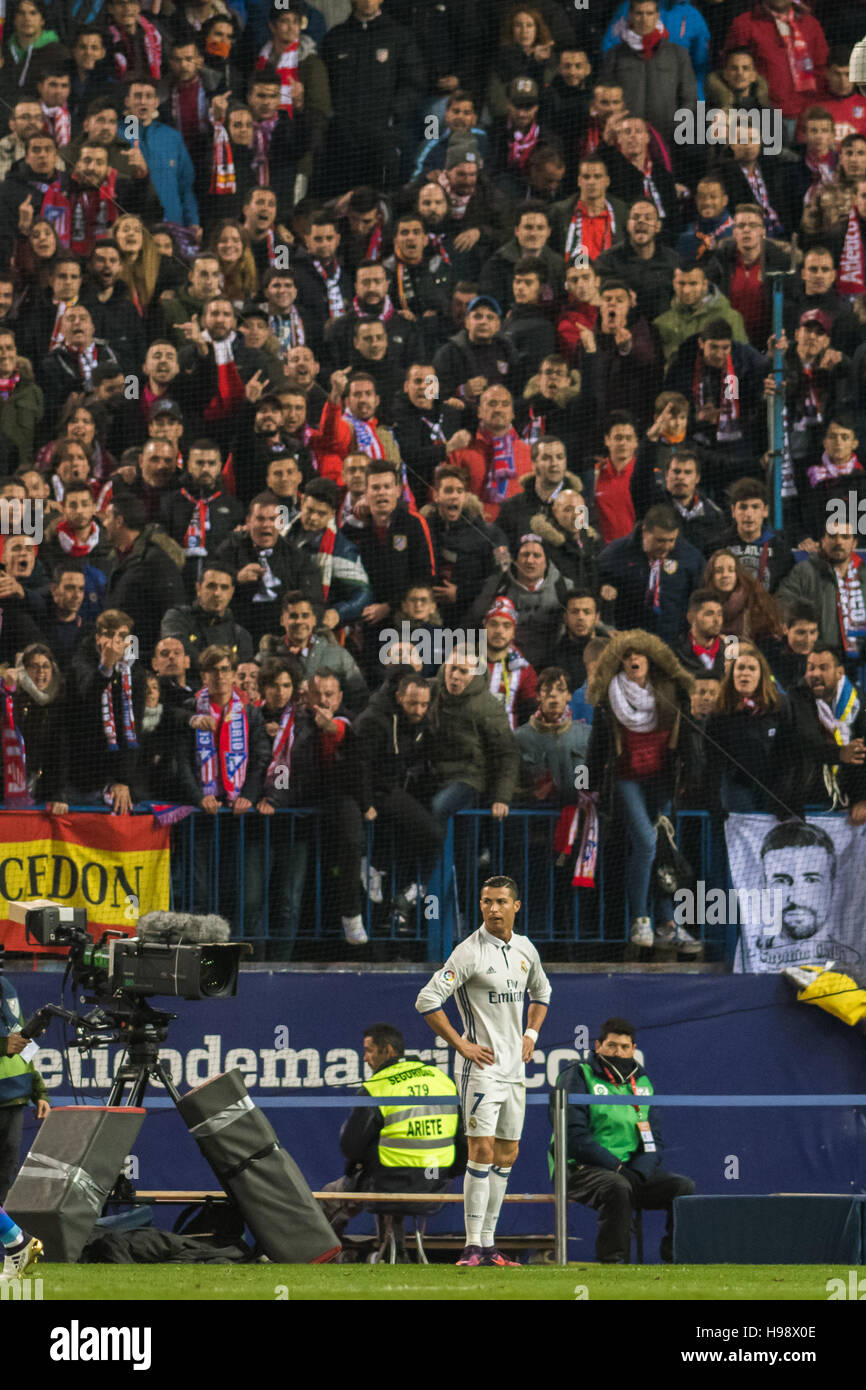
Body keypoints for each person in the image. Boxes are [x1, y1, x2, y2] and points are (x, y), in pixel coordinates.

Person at [415, 875, 552, 1266]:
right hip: (481, 1071)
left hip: (514, 1070)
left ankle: (489, 1245)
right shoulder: (468, 952)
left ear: (516, 906)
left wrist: (530, 1032)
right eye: (486, 902)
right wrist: (461, 1044)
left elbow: (542, 993)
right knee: (481, 1149)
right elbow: (426, 1000)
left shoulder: (526, 949)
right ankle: (472, 1245)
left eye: (500, 902)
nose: (493, 908)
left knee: (508, 1153)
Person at [587, 629, 701, 953]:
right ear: (619, 661)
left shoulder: (670, 690)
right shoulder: (609, 696)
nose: (634, 659)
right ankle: (640, 918)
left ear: (651, 660)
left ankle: (667, 923)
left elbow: (689, 736)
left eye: (640, 654)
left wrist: (690, 773)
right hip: (626, 780)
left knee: (662, 847)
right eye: (627, 654)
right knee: (647, 842)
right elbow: (598, 745)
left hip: (661, 778)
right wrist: (589, 783)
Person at [550, 1016, 695, 1263]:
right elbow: (574, 1137)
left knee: (683, 1188)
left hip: (628, 1171)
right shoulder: (577, 1076)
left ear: (634, 1050)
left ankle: (676, 1260)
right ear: (598, 1046)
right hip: (578, 1169)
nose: (618, 1052)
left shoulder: (643, 1083)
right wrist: (616, 1168)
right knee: (617, 1187)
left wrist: (637, 1172)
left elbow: (654, 1141)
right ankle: (614, 1264)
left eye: (625, 1047)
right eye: (612, 1046)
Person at [320, 1023, 459, 1256]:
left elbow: (351, 1147)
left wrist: (364, 1159)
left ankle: (322, 1256)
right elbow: (463, 1141)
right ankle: (394, 1251)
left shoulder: (378, 1087)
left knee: (327, 1198)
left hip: (388, 1184)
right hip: (436, 1185)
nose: (365, 1058)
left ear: (389, 1050)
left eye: (369, 1050)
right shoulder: (442, 1079)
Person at [706, 642, 792, 815]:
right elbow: (712, 758)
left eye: (752, 668)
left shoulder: (780, 705)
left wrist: (786, 791)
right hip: (736, 785)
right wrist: (714, 797)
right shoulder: (720, 710)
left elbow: (789, 750)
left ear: (761, 675)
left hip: (773, 785)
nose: (745, 673)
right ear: (732, 674)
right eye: (741, 668)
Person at [0, 945, 50, 1203]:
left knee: (4, 1181)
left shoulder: (6, 987)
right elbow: (7, 1043)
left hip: (13, 1102)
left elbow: (22, 1041)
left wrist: (38, 1091)